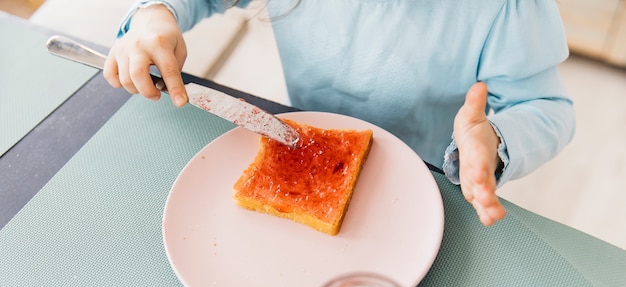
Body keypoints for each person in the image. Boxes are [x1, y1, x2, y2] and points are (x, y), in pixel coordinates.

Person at [104, 0, 576, 227]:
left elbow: (547, 108)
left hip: (423, 190)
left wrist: (493, 140)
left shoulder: (502, 9)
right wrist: (154, 18)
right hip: (308, 158)